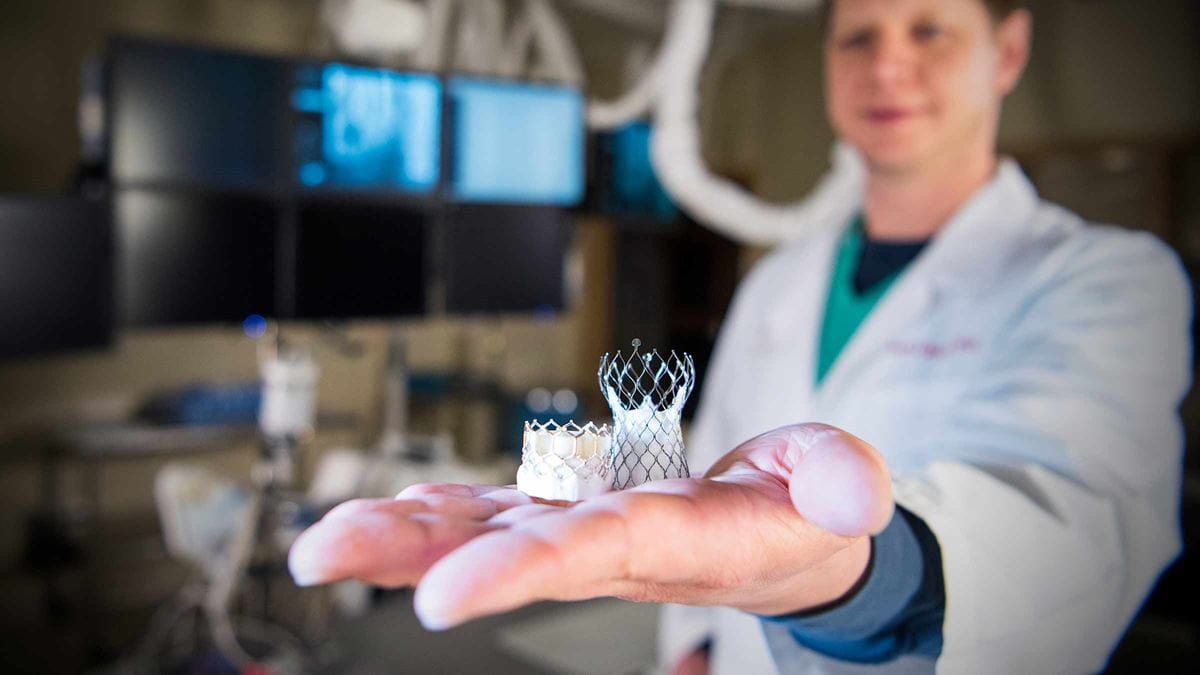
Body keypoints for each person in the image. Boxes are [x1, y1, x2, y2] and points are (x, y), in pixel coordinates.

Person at [286, 0, 1192, 672]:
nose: (888, 65)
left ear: (1009, 50)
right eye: (858, 37)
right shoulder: (777, 282)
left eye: (929, 29)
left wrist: (850, 570)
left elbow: (1066, 521)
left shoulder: (1110, 278)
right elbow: (702, 467)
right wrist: (694, 645)